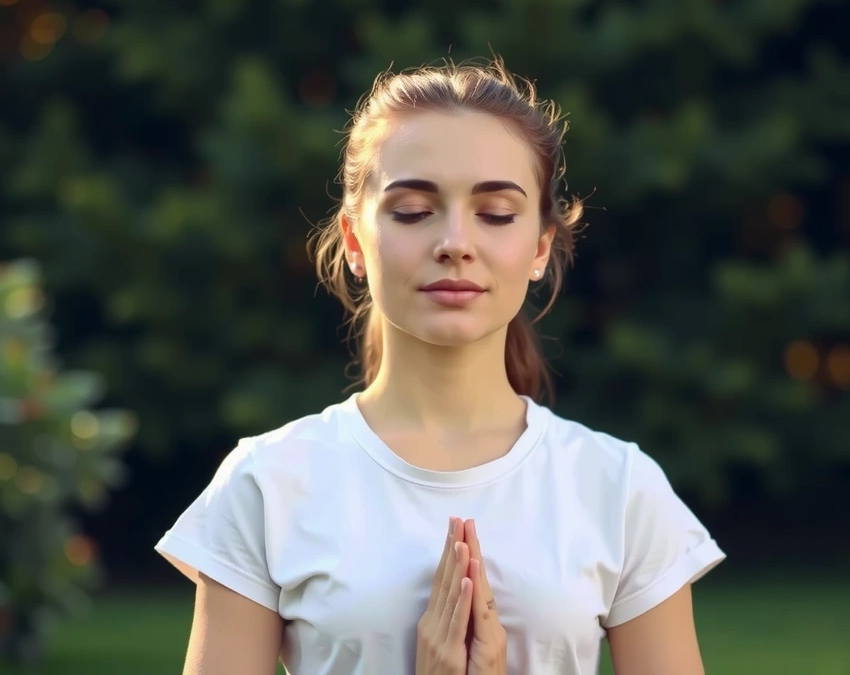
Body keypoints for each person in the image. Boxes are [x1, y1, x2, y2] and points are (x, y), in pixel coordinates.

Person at [155, 58, 726, 675]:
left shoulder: (618, 488)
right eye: (411, 210)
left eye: (497, 213)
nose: (455, 241)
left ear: (538, 247)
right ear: (354, 241)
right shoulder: (267, 484)